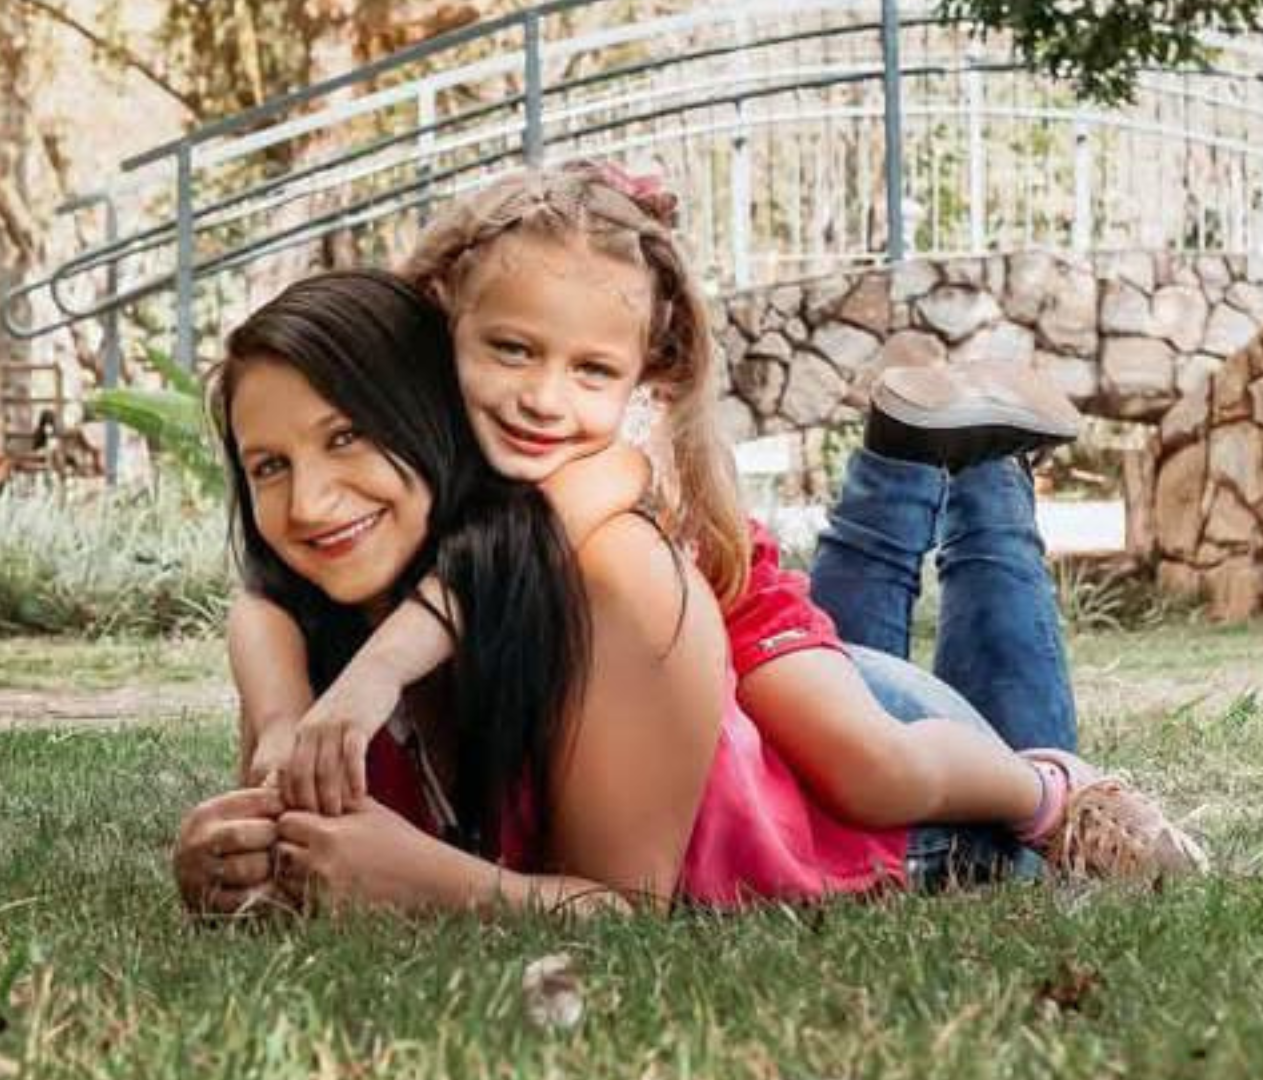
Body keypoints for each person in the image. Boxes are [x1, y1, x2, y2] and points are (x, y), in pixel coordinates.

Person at [232, 162, 1203, 887]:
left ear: (642, 372)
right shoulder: (428, 459)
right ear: (444, 323)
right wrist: (280, 721)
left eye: (589, 370)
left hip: (738, 614)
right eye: (511, 351)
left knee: (868, 764)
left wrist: (379, 668)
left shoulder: (595, 478)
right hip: (706, 696)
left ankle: (1048, 789)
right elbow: (265, 604)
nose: (541, 397)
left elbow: (506, 564)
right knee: (830, 728)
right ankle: (912, 457)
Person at [177, 270, 907, 913]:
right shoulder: (303, 623)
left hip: (878, 817)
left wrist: (426, 882)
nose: (307, 504)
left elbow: (625, 909)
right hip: (734, 699)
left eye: (345, 437)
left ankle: (920, 468)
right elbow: (260, 625)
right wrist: (235, 862)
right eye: (269, 466)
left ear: (431, 415)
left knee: (912, 741)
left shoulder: (611, 573)